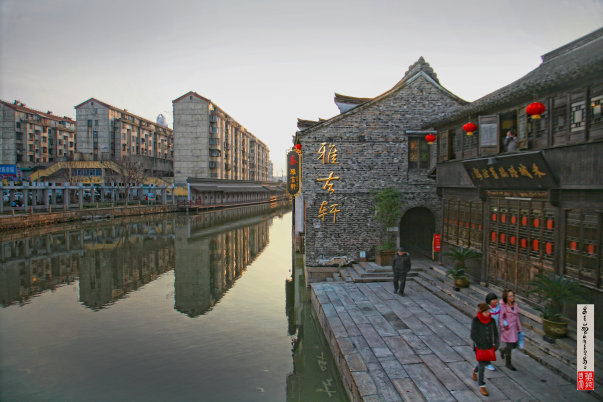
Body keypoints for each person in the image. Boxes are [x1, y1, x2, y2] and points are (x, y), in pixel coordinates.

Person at [471, 303, 499, 396]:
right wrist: (480, 343)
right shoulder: (476, 320)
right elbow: (473, 335)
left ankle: (475, 370)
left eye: (488, 311)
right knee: (482, 365)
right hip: (479, 346)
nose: (488, 313)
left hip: (489, 346)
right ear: (481, 312)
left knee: (484, 363)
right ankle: (481, 384)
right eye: (486, 312)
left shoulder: (492, 320)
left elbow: (495, 332)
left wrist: (496, 343)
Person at [499, 289, 522, 371]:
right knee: (509, 346)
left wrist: (519, 328)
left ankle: (503, 350)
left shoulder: (515, 305)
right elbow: (501, 318)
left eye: (513, 295)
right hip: (507, 329)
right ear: (506, 297)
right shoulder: (503, 306)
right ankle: (508, 363)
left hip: (514, 329)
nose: (512, 297)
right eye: (510, 296)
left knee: (514, 345)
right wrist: (503, 328)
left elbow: (517, 317)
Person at [485, 293, 500, 371]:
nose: (496, 301)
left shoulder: (498, 308)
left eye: (496, 299)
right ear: (489, 301)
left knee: (496, 345)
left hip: (496, 330)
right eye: (493, 300)